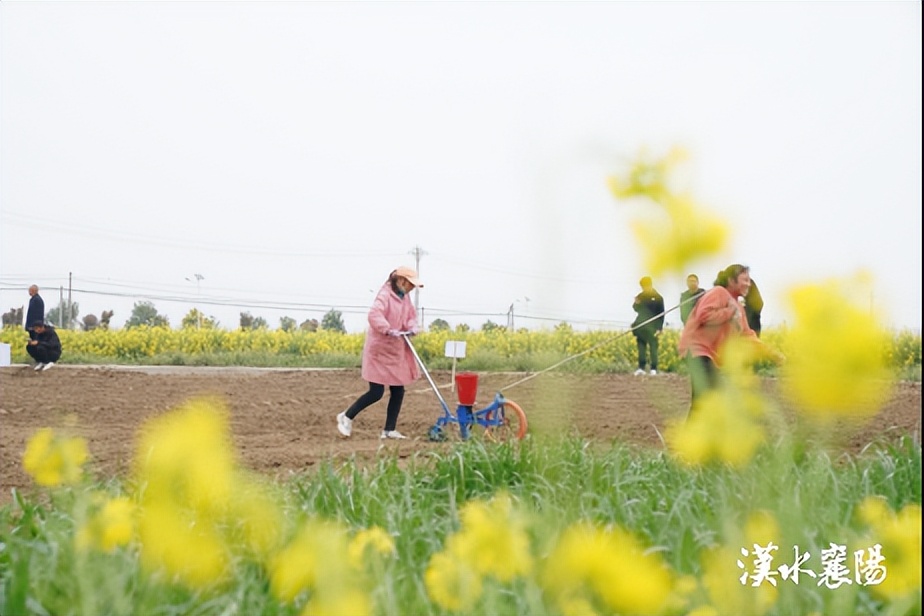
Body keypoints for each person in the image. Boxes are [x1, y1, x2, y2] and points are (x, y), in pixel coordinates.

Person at [678, 264, 779, 415]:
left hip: (710, 356)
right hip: (697, 350)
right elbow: (704, 315)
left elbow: (748, 335)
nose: (748, 284)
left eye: (749, 280)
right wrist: (728, 312)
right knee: (710, 396)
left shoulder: (739, 307)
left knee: (705, 399)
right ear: (732, 280)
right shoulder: (719, 293)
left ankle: (695, 436)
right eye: (744, 279)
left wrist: (771, 353)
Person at [336, 266, 423, 440]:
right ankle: (346, 417)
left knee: (398, 390)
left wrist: (412, 327)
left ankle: (389, 430)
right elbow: (374, 315)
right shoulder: (385, 295)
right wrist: (387, 329)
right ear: (400, 281)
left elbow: (410, 317)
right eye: (410, 284)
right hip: (379, 350)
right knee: (376, 391)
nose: (412, 288)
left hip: (395, 350)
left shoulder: (405, 298)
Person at [631, 276, 665, 376]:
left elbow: (661, 314)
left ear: (650, 285)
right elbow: (636, 309)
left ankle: (653, 368)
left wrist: (659, 328)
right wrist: (636, 303)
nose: (644, 288)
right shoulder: (640, 296)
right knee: (641, 347)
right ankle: (641, 367)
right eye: (642, 287)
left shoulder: (658, 297)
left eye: (645, 286)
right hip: (641, 326)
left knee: (653, 347)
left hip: (653, 327)